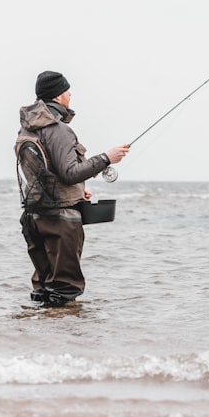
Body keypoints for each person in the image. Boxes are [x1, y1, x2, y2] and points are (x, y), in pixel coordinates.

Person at [15, 71, 129, 307]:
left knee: (44, 288)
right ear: (58, 96)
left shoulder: (28, 128)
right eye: (67, 91)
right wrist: (106, 158)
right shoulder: (59, 130)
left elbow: (44, 173)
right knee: (65, 289)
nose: (70, 95)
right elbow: (69, 173)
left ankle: (38, 337)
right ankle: (64, 341)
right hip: (61, 219)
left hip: (35, 216)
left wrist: (77, 192)